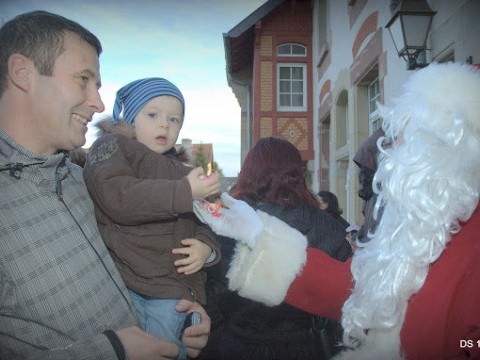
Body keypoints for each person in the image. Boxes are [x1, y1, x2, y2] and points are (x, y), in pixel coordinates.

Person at [193, 62, 480, 359]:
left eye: (407, 136)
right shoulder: (428, 222)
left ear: (456, 146)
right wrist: (258, 232)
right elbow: (360, 291)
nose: (392, 149)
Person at [0, 10, 210, 360]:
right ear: (23, 73)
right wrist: (112, 352)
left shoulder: (82, 180)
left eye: (97, 86)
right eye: (83, 79)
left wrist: (184, 314)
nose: (98, 104)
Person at [83, 77, 221, 359]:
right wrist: (185, 191)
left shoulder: (184, 165)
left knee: (169, 349)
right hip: (128, 280)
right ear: (131, 117)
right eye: (153, 115)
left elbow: (210, 217)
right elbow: (117, 196)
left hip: (173, 287)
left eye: (174, 119)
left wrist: (206, 247)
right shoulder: (114, 147)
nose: (165, 124)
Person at [197, 136, 352, 360]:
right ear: (298, 174)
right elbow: (344, 301)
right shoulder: (327, 226)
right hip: (305, 345)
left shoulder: (228, 221)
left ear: (248, 173)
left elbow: (211, 289)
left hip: (236, 343)